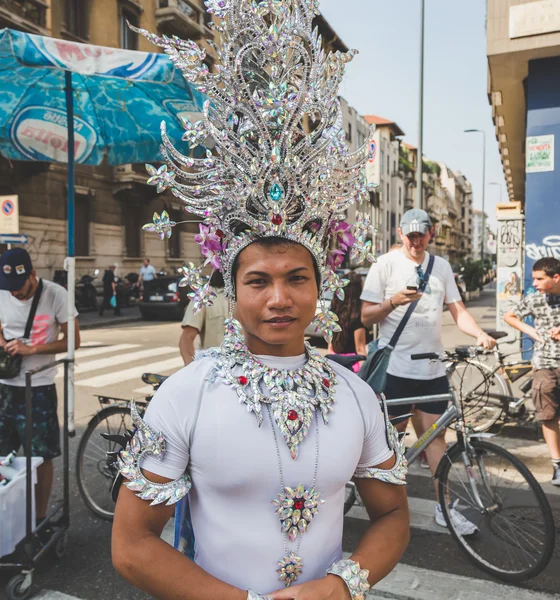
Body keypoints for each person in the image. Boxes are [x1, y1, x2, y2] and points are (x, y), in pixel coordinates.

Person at [110, 4, 410, 599]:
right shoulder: (188, 393)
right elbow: (132, 545)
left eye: (297, 278)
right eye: (258, 282)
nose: (279, 298)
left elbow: (393, 517)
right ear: (231, 291)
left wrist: (341, 585)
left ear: (320, 288)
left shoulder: (354, 395)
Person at [361, 208, 496, 535]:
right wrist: (393, 301)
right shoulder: (384, 265)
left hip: (433, 369)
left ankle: (444, 509)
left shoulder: (442, 267)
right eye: (411, 235)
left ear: (431, 233)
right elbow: (366, 317)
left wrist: (478, 334)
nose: (416, 241)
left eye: (422, 235)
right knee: (390, 445)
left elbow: (458, 310)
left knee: (436, 442)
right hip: (395, 370)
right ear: (400, 233)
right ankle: (384, 510)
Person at [0, 248, 80, 533]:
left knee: (39, 456)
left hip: (39, 386)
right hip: (2, 386)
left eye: (19, 288)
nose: (12, 293)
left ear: (32, 275)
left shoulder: (56, 295)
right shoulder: (1, 289)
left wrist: (32, 349)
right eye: (7, 288)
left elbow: (73, 340)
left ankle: (39, 518)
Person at [504, 257, 560, 485]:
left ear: (555, 278)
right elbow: (509, 315)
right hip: (545, 364)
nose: (534, 283)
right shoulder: (535, 300)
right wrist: (530, 331)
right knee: (548, 415)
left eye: (539, 279)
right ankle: (557, 464)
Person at [179, 270, 228, 365]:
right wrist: (193, 370)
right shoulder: (204, 296)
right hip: (214, 372)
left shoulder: (248, 295)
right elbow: (187, 338)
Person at [327, 273, 370, 373]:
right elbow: (360, 351)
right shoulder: (357, 318)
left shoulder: (332, 314)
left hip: (334, 363)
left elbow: (330, 346)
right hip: (353, 367)